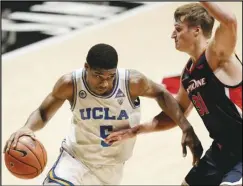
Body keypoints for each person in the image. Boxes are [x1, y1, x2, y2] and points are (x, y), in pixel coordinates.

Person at [3, 43, 202, 185]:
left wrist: (186, 126)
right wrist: (27, 128)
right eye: (98, 76)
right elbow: (43, 113)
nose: (105, 82)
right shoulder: (70, 84)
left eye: (110, 76)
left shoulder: (132, 82)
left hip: (111, 170)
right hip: (75, 159)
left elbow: (162, 93)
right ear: (86, 68)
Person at [105, 2, 242, 186]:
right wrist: (133, 131)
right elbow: (175, 115)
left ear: (196, 30)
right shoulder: (188, 74)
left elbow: (230, 21)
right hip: (223, 149)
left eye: (178, 29)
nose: (172, 35)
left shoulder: (218, 54)